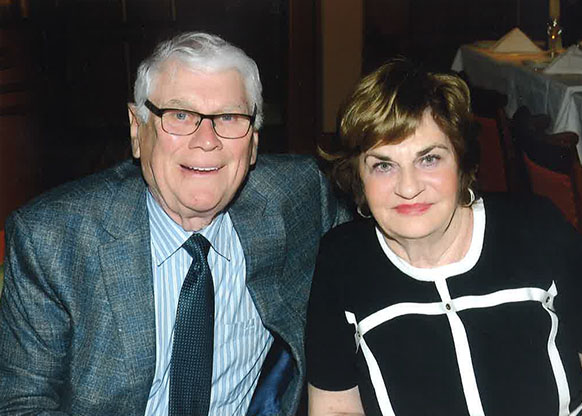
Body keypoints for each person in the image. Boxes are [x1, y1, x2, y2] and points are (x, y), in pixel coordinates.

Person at [0, 32, 350, 415]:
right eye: (180, 115)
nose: (206, 140)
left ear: (252, 143)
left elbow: (381, 235)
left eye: (229, 117)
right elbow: (22, 403)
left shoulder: (299, 197)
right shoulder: (53, 240)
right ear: (137, 129)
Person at [305, 59, 582, 416]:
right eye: (383, 165)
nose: (408, 187)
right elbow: (335, 409)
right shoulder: (342, 261)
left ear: (461, 161)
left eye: (429, 159)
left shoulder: (537, 229)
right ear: (358, 177)